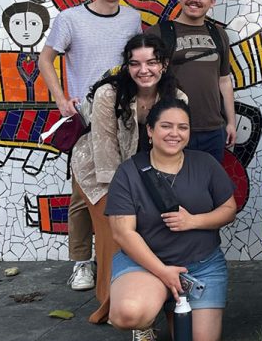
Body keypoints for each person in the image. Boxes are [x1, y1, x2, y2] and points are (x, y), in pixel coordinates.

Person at [39, 0, 142, 292]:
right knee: (83, 193)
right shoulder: (69, 19)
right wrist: (59, 96)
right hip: (86, 117)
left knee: (125, 186)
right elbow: (46, 58)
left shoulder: (132, 18)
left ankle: (122, 255)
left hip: (124, 115)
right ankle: (82, 262)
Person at [106, 98, 236, 341]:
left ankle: (169, 302)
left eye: (183, 127)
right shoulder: (129, 172)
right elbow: (123, 232)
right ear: (150, 131)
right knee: (128, 313)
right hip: (147, 265)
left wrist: (193, 221)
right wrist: (164, 272)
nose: (175, 134)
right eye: (166, 126)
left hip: (200, 267)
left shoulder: (205, 164)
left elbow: (229, 209)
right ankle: (147, 319)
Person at [70, 34, 185, 325]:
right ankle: (109, 304)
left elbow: (174, 146)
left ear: (164, 65)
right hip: (97, 172)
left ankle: (147, 294)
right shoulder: (109, 94)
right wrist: (126, 197)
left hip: (143, 174)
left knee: (149, 230)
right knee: (114, 233)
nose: (143, 70)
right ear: (127, 66)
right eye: (135, 63)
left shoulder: (177, 98)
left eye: (151, 62)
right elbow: (105, 151)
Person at [146, 0, 235, 163]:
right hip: (172, 131)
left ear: (212, 2)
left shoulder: (219, 34)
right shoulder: (159, 33)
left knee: (207, 190)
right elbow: (144, 82)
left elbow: (224, 80)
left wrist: (231, 122)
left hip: (213, 130)